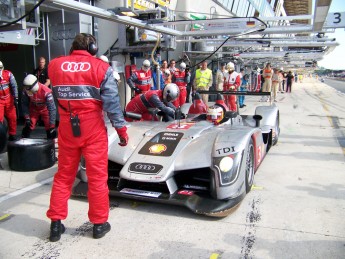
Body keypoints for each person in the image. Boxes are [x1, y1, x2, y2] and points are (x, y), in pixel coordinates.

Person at [46, 33, 128, 242]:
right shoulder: (101, 68)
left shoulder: (55, 65)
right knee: (97, 178)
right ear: (93, 47)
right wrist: (121, 131)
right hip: (92, 129)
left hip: (66, 126)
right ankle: (99, 224)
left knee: (64, 177)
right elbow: (112, 105)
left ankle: (56, 224)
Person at [21, 74, 57, 139]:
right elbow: (24, 104)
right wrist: (27, 117)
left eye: (28, 87)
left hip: (45, 109)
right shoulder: (25, 91)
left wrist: (52, 125)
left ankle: (50, 143)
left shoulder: (46, 92)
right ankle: (25, 142)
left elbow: (52, 109)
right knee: (27, 127)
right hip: (33, 109)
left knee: (50, 129)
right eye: (26, 87)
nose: (27, 89)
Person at [0, 61, 18, 141]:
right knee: (0, 119)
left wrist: (16, 97)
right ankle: (1, 136)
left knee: (12, 117)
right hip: (0, 100)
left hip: (9, 99)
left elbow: (14, 85)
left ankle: (12, 134)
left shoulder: (8, 74)